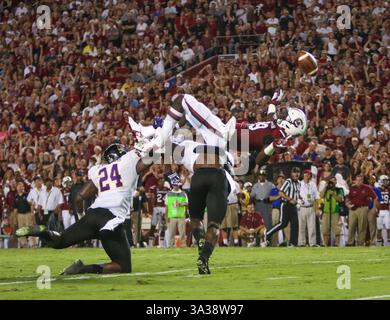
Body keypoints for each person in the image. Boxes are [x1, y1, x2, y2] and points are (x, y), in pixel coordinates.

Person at [16, 143, 153, 275]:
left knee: (61, 241)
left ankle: (44, 232)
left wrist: (82, 218)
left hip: (92, 215)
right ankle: (83, 269)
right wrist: (165, 144)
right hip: (111, 219)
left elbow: (79, 198)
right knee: (123, 266)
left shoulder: (99, 171)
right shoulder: (126, 167)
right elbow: (151, 158)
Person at [265, 167, 301, 247]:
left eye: (298, 172)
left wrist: (300, 199)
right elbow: (281, 193)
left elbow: (296, 193)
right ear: (291, 174)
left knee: (295, 224)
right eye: (294, 172)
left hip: (293, 206)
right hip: (285, 205)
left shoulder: (299, 183)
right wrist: (290, 199)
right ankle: (267, 233)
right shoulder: (288, 181)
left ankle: (293, 243)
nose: (296, 174)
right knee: (282, 224)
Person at [346, 175, 379, 246]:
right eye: (357, 180)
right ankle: (350, 242)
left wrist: (374, 208)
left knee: (362, 227)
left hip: (363, 208)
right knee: (351, 226)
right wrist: (348, 204)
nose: (358, 181)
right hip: (353, 209)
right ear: (355, 180)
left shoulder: (367, 188)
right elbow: (348, 198)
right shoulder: (352, 188)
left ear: (362, 181)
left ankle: (360, 243)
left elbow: (375, 197)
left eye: (360, 180)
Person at [320, 175, 344, 246]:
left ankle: (337, 243)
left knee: (336, 229)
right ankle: (325, 244)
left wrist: (333, 194)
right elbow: (321, 195)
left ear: (336, 181)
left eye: (334, 180)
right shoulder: (326, 189)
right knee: (325, 229)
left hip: (335, 211)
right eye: (331, 180)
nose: (332, 182)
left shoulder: (339, 189)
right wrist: (326, 186)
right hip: (326, 211)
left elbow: (340, 199)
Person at [298, 169, 320, 247]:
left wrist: (317, 208)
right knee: (301, 226)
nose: (308, 176)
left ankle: (312, 243)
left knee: (312, 227)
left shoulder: (313, 184)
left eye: (309, 174)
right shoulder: (299, 184)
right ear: (303, 175)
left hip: (311, 207)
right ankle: (301, 243)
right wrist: (299, 200)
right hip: (301, 207)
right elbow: (296, 195)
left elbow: (317, 197)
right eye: (306, 174)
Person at [14, 182, 37, 248]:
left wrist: (32, 213)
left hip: (27, 214)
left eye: (21, 186)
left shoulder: (27, 195)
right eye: (18, 186)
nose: (19, 188)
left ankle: (34, 244)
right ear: (17, 188)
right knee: (21, 230)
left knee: (30, 229)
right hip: (20, 215)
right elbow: (15, 209)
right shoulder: (16, 197)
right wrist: (15, 218)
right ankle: (24, 244)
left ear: (23, 187)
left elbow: (32, 204)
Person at [165, 182, 188, 248]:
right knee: (171, 233)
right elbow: (166, 206)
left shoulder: (183, 193)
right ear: (172, 185)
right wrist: (166, 216)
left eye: (177, 185)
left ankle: (183, 245)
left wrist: (180, 204)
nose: (176, 186)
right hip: (171, 216)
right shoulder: (168, 194)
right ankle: (170, 245)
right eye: (175, 185)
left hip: (181, 216)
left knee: (182, 233)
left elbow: (187, 203)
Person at [269, 173, 285, 246]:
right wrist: (279, 195)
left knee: (286, 227)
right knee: (275, 226)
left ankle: (287, 242)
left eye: (283, 178)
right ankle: (274, 244)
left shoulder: (286, 189)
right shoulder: (274, 189)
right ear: (277, 180)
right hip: (276, 209)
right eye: (279, 178)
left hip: (285, 210)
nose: (281, 179)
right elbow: (270, 198)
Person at [377, 175, 390, 245]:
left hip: (386, 210)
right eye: (384, 181)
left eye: (386, 181)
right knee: (379, 227)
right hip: (379, 210)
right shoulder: (377, 189)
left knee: (388, 226)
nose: (386, 182)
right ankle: (379, 241)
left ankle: (388, 241)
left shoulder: (389, 189)